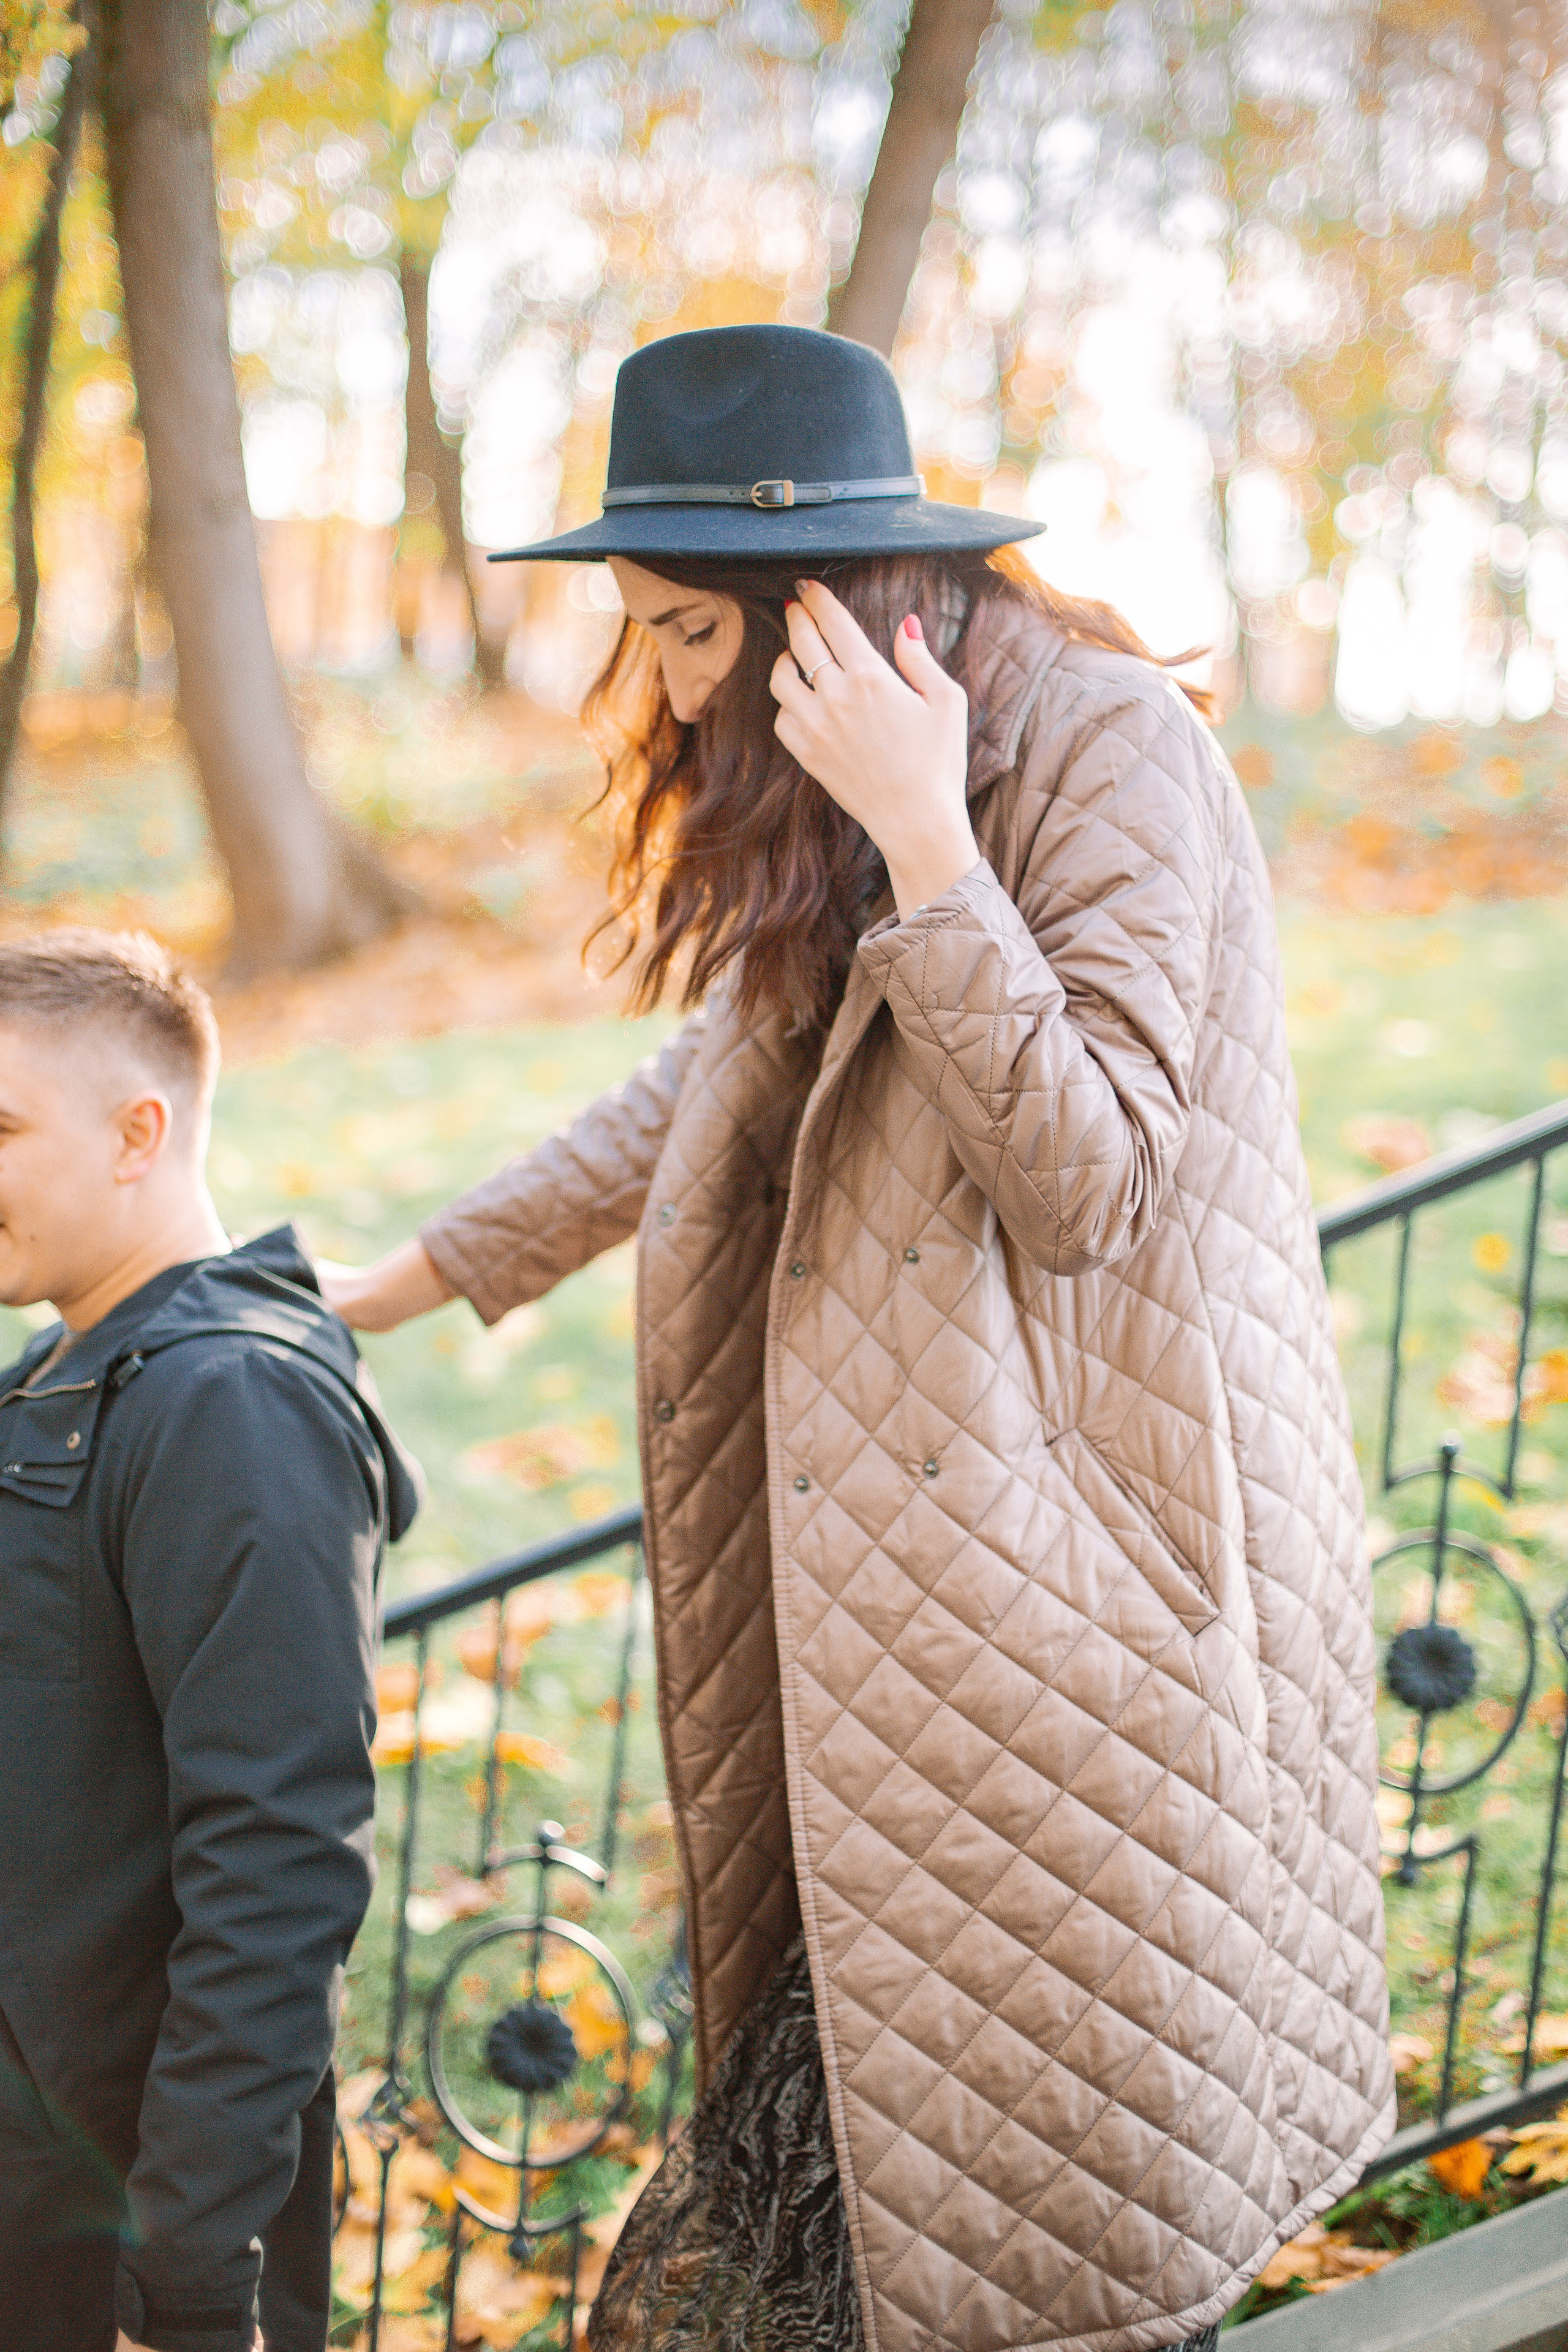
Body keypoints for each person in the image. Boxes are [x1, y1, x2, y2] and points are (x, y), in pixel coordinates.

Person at [325, 325, 1393, 2352]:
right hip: (884, 1645)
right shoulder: (848, 759)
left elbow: (1087, 1185)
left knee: (1038, 2261)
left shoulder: (1091, 752)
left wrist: (932, 839)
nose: (654, 683)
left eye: (678, 634)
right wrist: (424, 1271)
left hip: (1071, 1645)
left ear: (810, 602)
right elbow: (726, 1093)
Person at [0, 929, 420, 2352]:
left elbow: (277, 1860)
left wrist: (185, 2269)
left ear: (139, 1133)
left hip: (111, 2226)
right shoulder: (63, 1371)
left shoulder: (232, 1401)